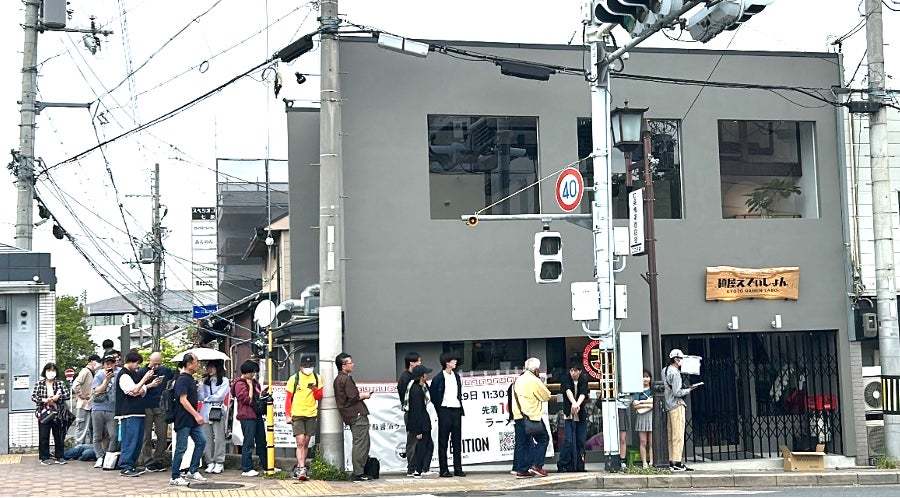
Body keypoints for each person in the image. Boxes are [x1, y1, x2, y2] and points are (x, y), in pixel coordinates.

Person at [116, 351, 162, 477]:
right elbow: (134, 390)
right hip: (129, 413)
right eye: (137, 363)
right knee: (130, 440)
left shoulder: (132, 374)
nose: (138, 366)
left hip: (138, 412)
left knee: (137, 441)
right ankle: (125, 466)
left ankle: (131, 465)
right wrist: (145, 379)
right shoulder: (124, 375)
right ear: (130, 362)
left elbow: (140, 390)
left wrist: (149, 385)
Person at [169, 353, 208, 486]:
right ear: (189, 363)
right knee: (181, 447)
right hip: (183, 418)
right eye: (196, 362)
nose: (198, 364)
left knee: (201, 441)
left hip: (191, 419)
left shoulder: (190, 379)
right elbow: (183, 400)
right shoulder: (183, 379)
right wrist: (197, 415)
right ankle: (175, 476)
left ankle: (193, 470)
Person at [334, 352, 372, 481]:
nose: (353, 364)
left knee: (360, 442)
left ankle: (359, 471)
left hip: (350, 415)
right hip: (356, 414)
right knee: (361, 443)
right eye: (350, 362)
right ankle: (358, 473)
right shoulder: (346, 378)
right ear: (344, 365)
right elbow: (354, 397)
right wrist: (365, 395)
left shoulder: (338, 379)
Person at [285, 355, 324, 481]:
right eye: (306, 366)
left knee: (306, 442)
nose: (308, 368)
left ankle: (301, 467)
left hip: (311, 413)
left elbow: (319, 396)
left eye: (311, 366)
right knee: (300, 441)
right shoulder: (294, 378)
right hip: (297, 413)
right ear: (300, 366)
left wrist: (314, 389)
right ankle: (302, 468)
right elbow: (288, 398)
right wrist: (288, 414)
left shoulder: (317, 378)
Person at [511, 358, 551, 478]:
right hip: (532, 416)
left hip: (519, 416)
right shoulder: (534, 380)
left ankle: (522, 470)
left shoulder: (518, 379)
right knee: (543, 439)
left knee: (523, 443)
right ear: (536, 369)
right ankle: (537, 466)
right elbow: (546, 395)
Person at [663, 349, 701, 472]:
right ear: (676, 359)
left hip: (668, 405)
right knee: (678, 435)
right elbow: (677, 392)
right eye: (681, 358)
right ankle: (677, 463)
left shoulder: (665, 370)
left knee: (670, 435)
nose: (682, 361)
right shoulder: (675, 373)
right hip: (677, 405)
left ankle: (671, 461)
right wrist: (690, 389)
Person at [429, 353, 465, 478]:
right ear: (446, 362)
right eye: (452, 360)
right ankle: (443, 469)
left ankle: (458, 468)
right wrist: (440, 410)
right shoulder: (438, 378)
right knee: (443, 441)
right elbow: (433, 396)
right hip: (444, 411)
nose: (455, 362)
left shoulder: (457, 376)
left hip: (456, 410)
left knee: (457, 441)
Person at [140, 352, 176, 472]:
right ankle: (147, 460)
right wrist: (149, 382)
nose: (156, 366)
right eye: (154, 364)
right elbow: (137, 387)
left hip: (160, 405)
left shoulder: (165, 370)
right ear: (149, 360)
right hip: (146, 405)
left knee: (162, 434)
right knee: (147, 436)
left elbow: (175, 376)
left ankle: (158, 459)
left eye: (159, 364)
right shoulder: (142, 371)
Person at [233, 360, 267, 477]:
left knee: (262, 441)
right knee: (248, 442)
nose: (253, 374)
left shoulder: (255, 382)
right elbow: (247, 400)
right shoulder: (239, 384)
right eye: (252, 372)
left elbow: (258, 396)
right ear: (246, 372)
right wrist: (250, 387)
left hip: (257, 415)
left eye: (254, 372)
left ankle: (267, 466)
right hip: (247, 416)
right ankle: (247, 468)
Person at [32, 362, 71, 465]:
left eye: (53, 370)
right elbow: (34, 397)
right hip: (44, 412)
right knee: (44, 435)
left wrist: (58, 397)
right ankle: (44, 457)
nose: (51, 373)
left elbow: (67, 395)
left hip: (58, 412)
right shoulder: (39, 384)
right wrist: (44, 400)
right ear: (45, 372)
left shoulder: (60, 383)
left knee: (59, 435)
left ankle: (60, 457)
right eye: (49, 370)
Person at [199, 360, 230, 475]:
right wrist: (201, 386)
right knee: (206, 438)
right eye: (208, 367)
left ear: (218, 368)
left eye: (212, 367)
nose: (209, 370)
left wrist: (208, 398)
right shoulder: (205, 381)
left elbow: (220, 396)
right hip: (205, 411)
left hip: (217, 410)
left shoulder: (224, 381)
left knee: (219, 437)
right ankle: (209, 461)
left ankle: (219, 462)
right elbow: (201, 397)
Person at [557, 363, 588, 473]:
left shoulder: (584, 379)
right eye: (571, 370)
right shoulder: (566, 378)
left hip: (580, 413)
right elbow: (568, 391)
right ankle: (563, 464)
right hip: (568, 412)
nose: (573, 373)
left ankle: (580, 465)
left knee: (580, 440)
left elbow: (583, 393)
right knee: (568, 440)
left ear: (580, 371)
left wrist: (577, 405)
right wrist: (574, 404)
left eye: (575, 370)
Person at [91, 354, 119, 469]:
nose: (110, 365)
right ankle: (99, 457)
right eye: (107, 363)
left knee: (114, 435)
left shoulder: (119, 374)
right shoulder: (99, 375)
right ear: (103, 364)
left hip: (112, 409)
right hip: (98, 408)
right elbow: (97, 391)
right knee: (97, 435)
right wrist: (106, 380)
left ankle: (109, 455)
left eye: (112, 363)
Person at [406, 365, 435, 477]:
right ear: (422, 376)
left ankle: (422, 469)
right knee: (423, 447)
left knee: (427, 446)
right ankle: (419, 470)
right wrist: (418, 430)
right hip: (421, 425)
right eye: (425, 374)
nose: (427, 375)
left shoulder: (419, 387)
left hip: (423, 423)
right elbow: (416, 411)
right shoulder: (416, 391)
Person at [397, 352, 422, 477]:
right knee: (412, 439)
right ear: (411, 363)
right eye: (418, 361)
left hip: (417, 411)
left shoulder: (414, 376)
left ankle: (418, 466)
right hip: (411, 412)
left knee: (419, 440)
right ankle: (411, 468)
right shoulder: (405, 378)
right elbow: (406, 397)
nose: (420, 364)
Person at [72, 354, 101, 445]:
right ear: (92, 361)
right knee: (82, 427)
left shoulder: (92, 373)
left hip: (89, 405)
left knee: (89, 427)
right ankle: (78, 447)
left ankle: (86, 447)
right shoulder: (85, 371)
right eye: (97, 362)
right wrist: (81, 395)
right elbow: (75, 384)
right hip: (83, 404)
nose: (99, 365)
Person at [632, 369, 654, 468]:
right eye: (643, 377)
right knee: (643, 441)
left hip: (651, 417)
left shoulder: (653, 389)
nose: (645, 379)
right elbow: (634, 405)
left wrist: (641, 402)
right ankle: (644, 462)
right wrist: (648, 403)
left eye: (647, 377)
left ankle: (652, 462)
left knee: (652, 442)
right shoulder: (638, 390)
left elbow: (654, 404)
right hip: (641, 417)